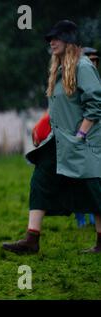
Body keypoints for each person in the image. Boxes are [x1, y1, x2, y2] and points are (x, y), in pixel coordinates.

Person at [2, 20, 101, 255]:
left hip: (83, 143)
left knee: (95, 191)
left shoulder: (83, 67)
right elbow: (60, 106)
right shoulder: (59, 69)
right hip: (59, 142)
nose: (51, 43)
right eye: (49, 40)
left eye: (56, 38)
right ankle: (31, 239)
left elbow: (96, 104)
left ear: (69, 40)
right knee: (40, 181)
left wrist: (81, 134)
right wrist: (44, 125)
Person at [74, 47, 99, 227]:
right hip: (80, 137)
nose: (93, 62)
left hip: (96, 139)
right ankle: (81, 218)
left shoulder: (96, 82)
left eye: (95, 59)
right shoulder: (74, 82)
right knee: (80, 180)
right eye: (90, 59)